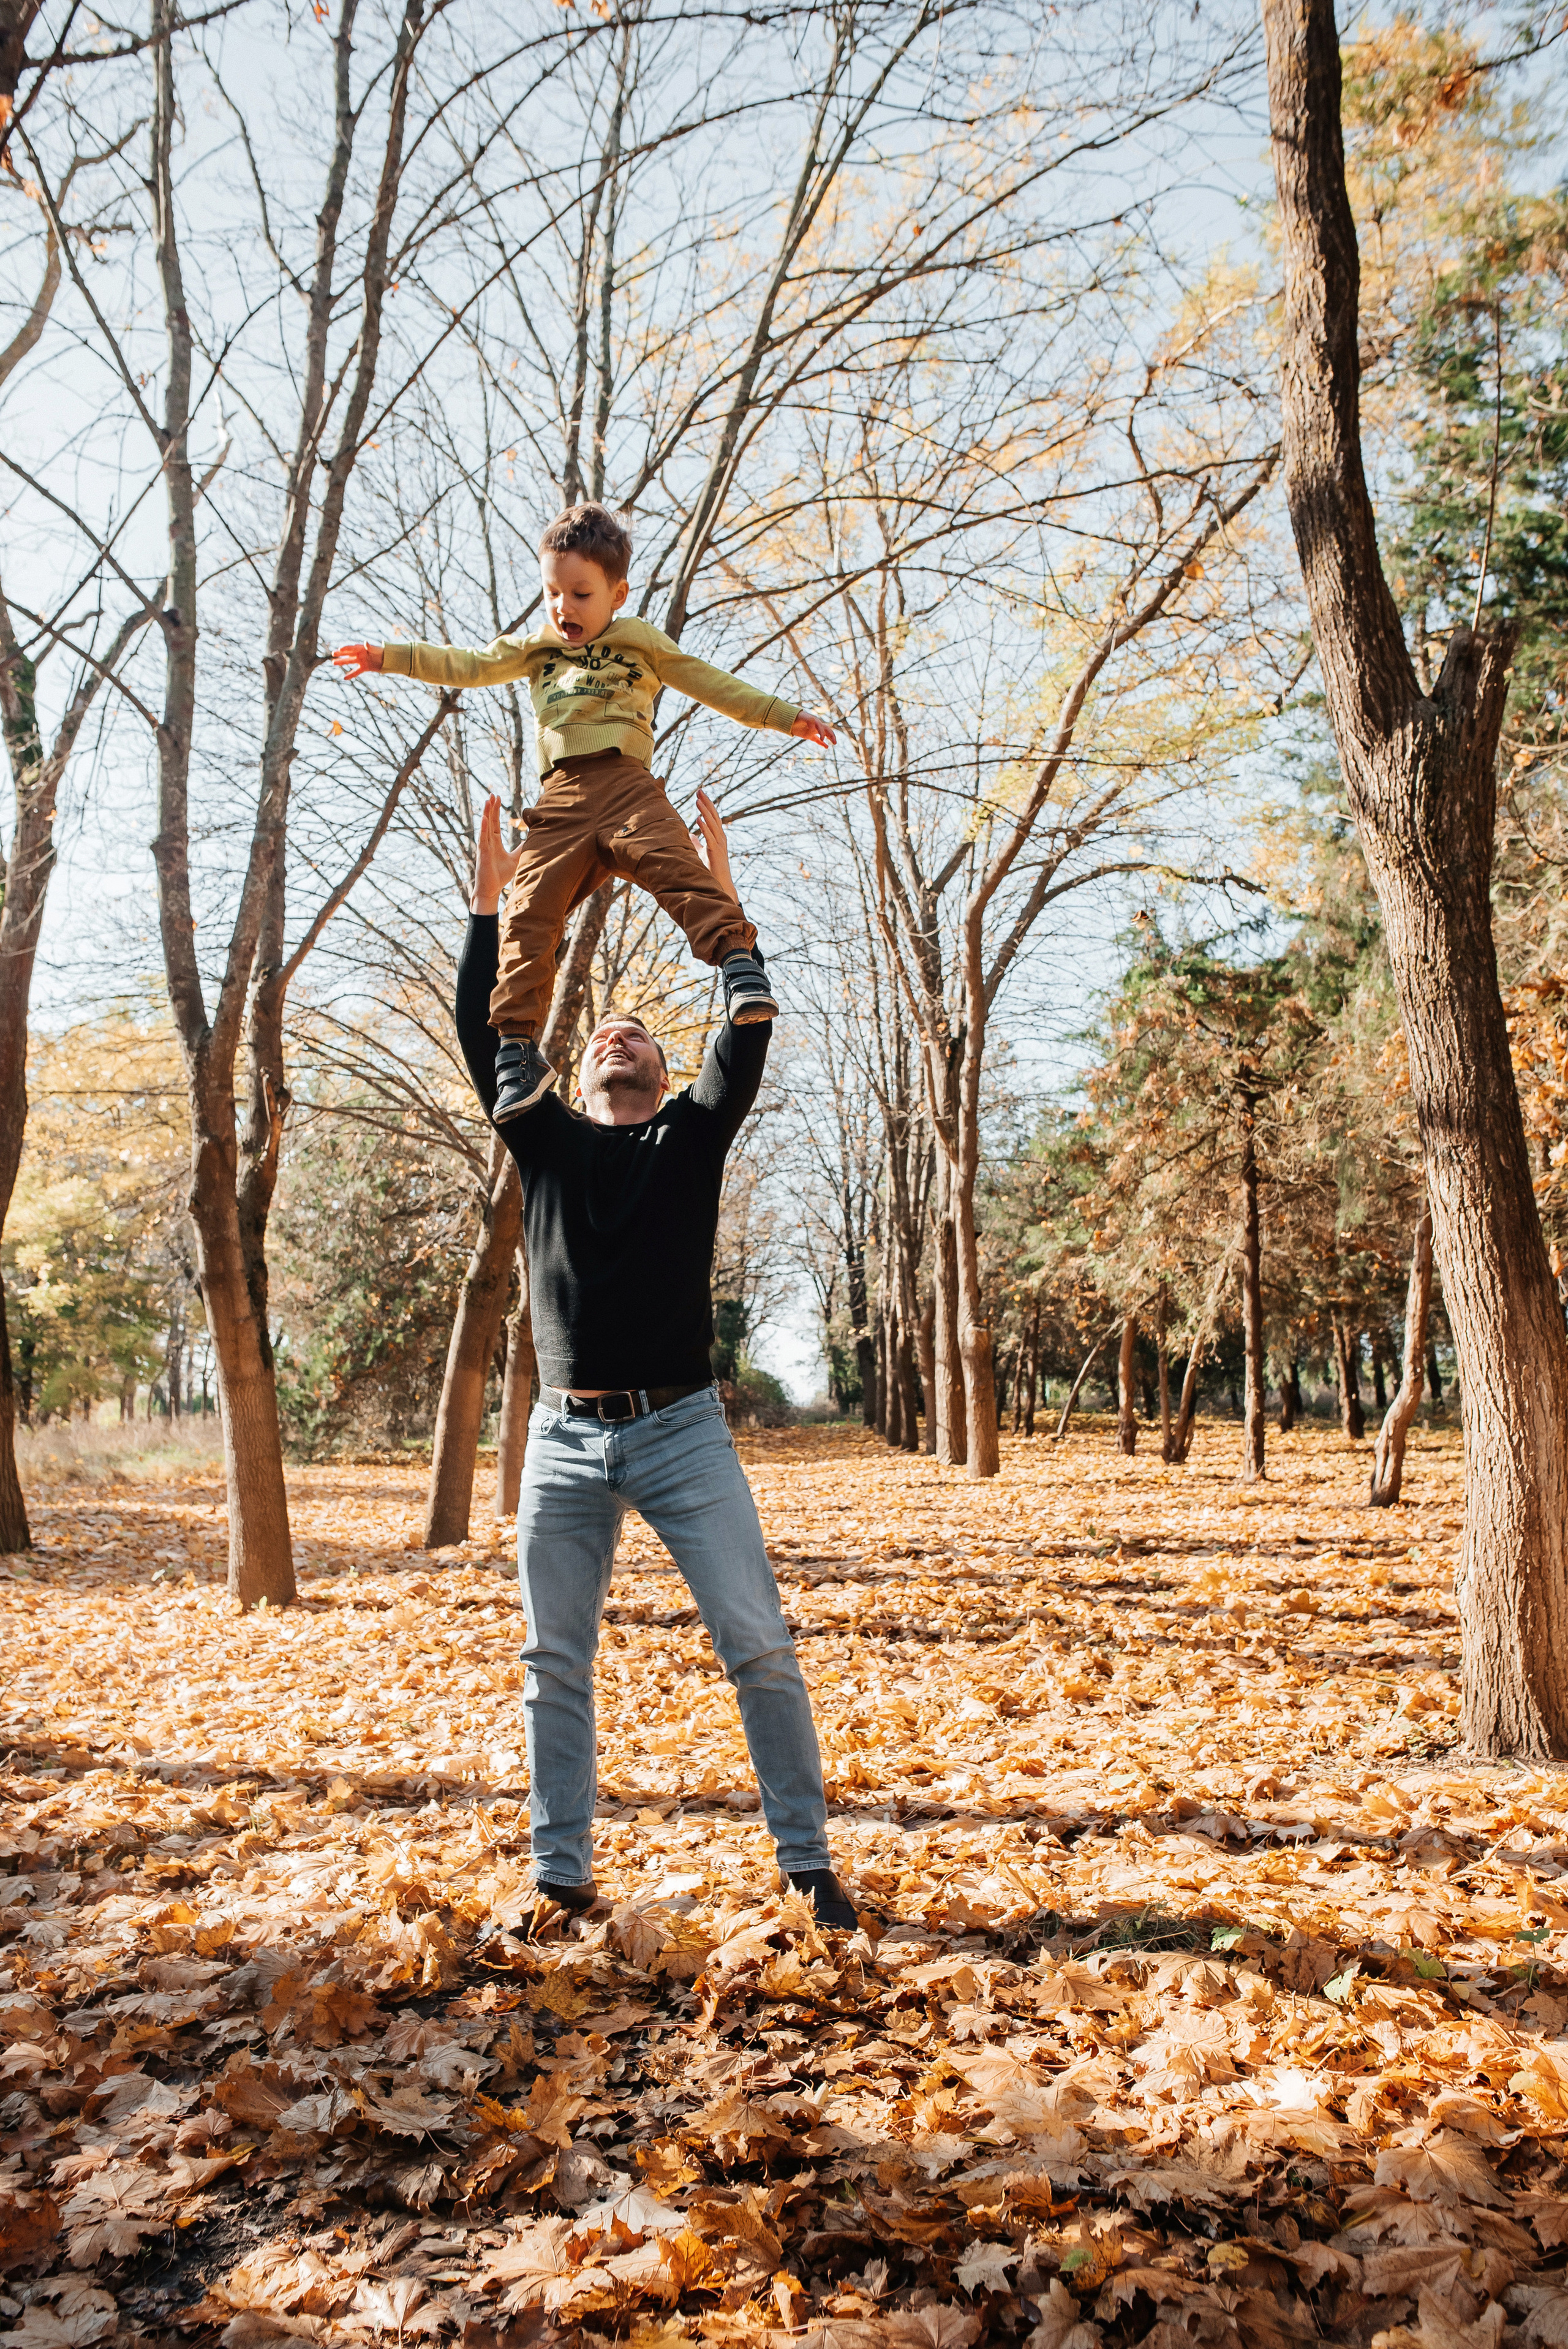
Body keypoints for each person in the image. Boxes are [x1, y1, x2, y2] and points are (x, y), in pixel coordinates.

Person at [454, 787, 858, 1934]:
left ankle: (807, 1867)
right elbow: (486, 1029)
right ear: (578, 1073)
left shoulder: (694, 1132)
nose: (614, 1034)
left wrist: (719, 900)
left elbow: (749, 1021)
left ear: (663, 1064)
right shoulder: (543, 1137)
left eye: (635, 1031)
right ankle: (560, 1875)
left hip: (683, 1432)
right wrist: (492, 908)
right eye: (599, 1034)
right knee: (554, 1659)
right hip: (563, 1441)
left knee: (759, 1645)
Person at [336, 500, 835, 1122]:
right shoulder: (536, 648)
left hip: (629, 788)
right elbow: (469, 664)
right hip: (562, 802)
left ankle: (738, 966)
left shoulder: (640, 641)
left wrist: (783, 716)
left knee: (680, 869)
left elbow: (709, 681)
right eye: (552, 593)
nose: (563, 608)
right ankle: (517, 1050)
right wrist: (388, 657)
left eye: (580, 594)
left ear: (616, 594)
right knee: (528, 915)